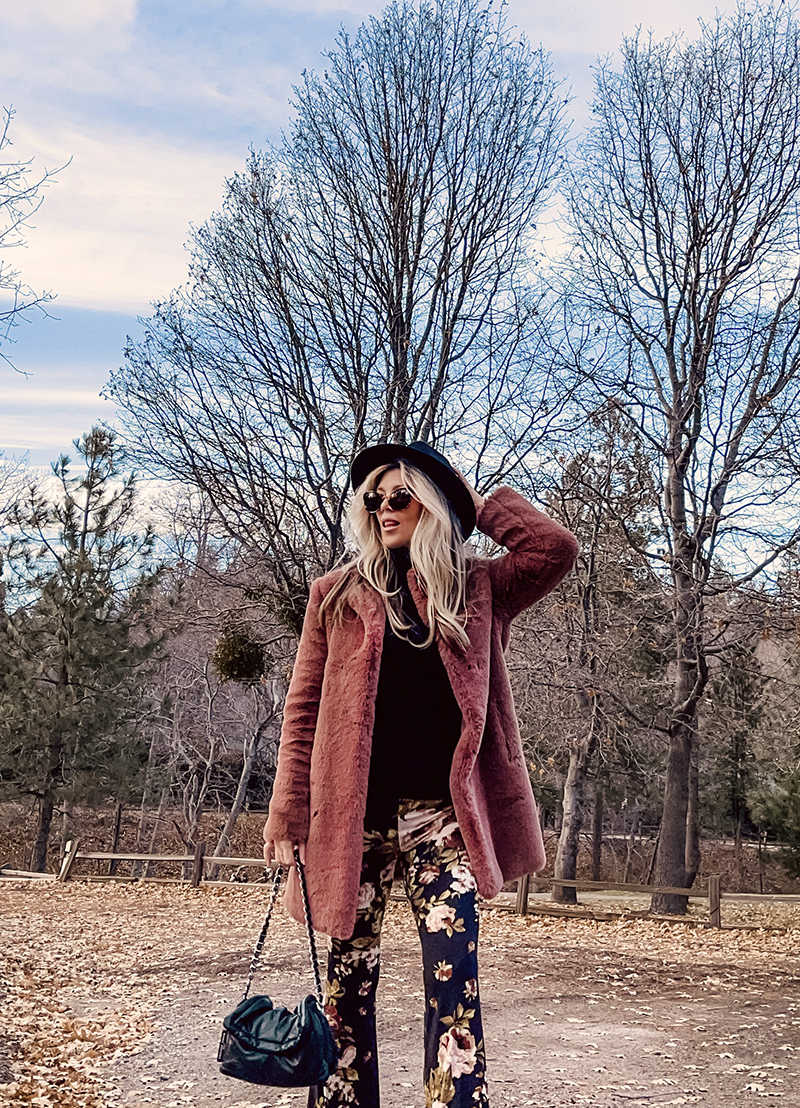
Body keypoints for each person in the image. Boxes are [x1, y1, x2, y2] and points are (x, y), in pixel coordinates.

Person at [264, 441, 578, 1108]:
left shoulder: (481, 588)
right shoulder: (335, 595)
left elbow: (554, 549)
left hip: (443, 823)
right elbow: (302, 711)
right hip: (354, 825)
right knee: (347, 986)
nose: (383, 507)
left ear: (432, 504)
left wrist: (475, 501)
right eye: (373, 498)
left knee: (453, 979)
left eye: (399, 495)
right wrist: (287, 816)